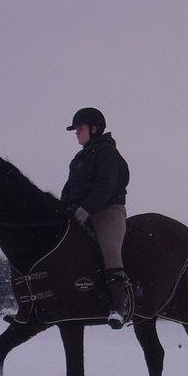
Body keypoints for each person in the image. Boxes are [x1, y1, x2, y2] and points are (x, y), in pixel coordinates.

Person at [61, 107, 130, 329]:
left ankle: (118, 307)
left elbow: (106, 186)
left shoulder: (108, 153)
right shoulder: (79, 159)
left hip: (108, 210)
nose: (76, 133)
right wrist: (59, 210)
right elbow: (69, 189)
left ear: (94, 128)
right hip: (80, 212)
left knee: (110, 250)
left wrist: (86, 209)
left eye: (79, 129)